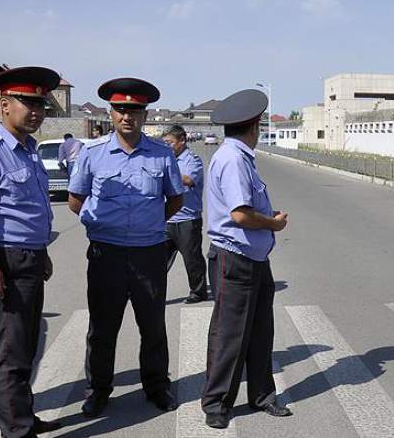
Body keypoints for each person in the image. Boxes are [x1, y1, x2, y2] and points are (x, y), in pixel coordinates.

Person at [67, 78, 185, 417]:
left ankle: (156, 386)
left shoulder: (162, 154)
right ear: (110, 112)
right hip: (107, 253)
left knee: (152, 325)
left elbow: (175, 199)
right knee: (103, 327)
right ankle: (98, 390)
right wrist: (101, 224)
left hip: (149, 252)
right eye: (121, 110)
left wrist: (148, 223)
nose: (127, 116)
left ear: (144, 115)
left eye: (134, 110)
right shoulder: (92, 154)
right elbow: (76, 200)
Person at [0, 66, 63, 437]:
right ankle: (17, 431)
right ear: (5, 104)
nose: (36, 111)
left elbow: (32, 210)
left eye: (41, 104)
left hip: (29, 256)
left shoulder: (29, 151)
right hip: (7, 258)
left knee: (26, 346)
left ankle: (24, 417)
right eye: (28, 102)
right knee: (11, 354)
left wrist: (43, 252)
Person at [202, 89, 292, 429]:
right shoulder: (233, 159)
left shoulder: (239, 157)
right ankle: (216, 403)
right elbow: (240, 215)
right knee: (230, 334)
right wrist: (274, 224)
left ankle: (262, 395)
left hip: (254, 260)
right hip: (234, 258)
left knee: (259, 331)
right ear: (254, 126)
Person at [162, 124, 210, 303]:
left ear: (182, 141)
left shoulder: (193, 160)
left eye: (170, 143)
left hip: (188, 219)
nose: (167, 146)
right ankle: (151, 292)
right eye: (164, 143)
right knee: (158, 260)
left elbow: (189, 179)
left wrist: (167, 170)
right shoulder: (165, 159)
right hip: (167, 218)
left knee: (192, 259)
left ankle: (198, 291)